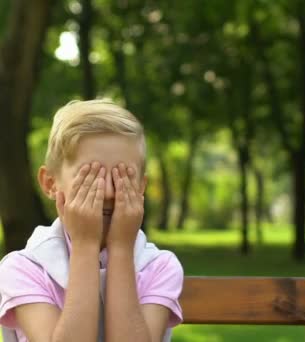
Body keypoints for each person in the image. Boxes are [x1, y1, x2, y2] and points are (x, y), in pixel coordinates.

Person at [0, 99, 183, 342]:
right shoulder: (23, 269)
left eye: (122, 176)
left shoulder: (159, 267)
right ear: (50, 183)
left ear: (141, 187)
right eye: (90, 175)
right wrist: (85, 244)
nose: (108, 191)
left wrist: (121, 248)